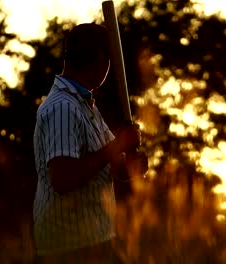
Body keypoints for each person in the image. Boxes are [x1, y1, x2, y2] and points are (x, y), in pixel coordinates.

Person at [32, 23, 147, 263]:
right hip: (68, 249)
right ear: (100, 58)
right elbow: (63, 179)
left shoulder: (84, 104)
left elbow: (110, 167)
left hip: (95, 241)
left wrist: (130, 165)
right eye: (110, 58)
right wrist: (117, 145)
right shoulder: (63, 107)